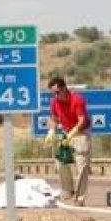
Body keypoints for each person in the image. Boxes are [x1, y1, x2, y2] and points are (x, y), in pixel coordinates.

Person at [45, 76, 91, 206]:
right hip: (66, 133)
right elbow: (54, 118)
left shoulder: (77, 99)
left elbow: (82, 120)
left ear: (64, 88)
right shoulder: (54, 102)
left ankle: (79, 199)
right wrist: (51, 131)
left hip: (80, 134)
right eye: (53, 93)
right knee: (60, 161)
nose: (55, 95)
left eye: (57, 92)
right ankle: (68, 190)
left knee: (82, 166)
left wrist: (73, 133)